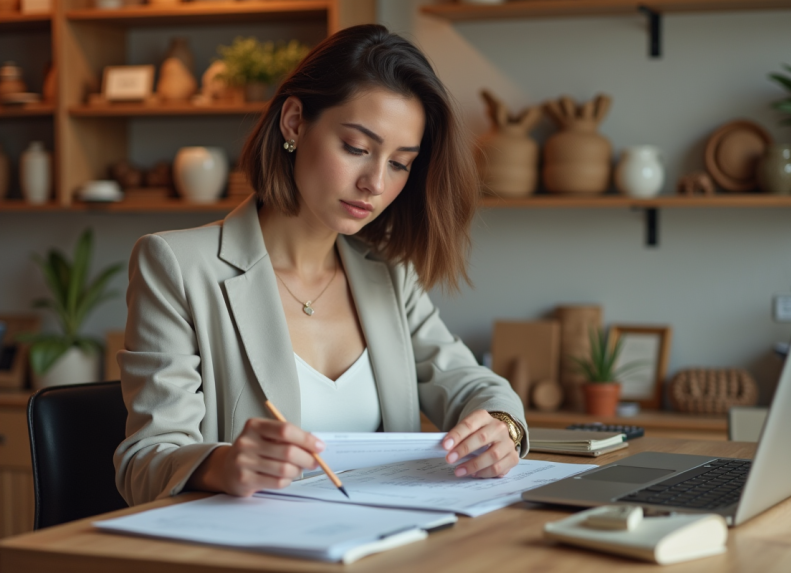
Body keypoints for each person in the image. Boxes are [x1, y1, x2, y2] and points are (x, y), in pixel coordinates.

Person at [114, 24, 529, 506]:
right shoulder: (177, 266)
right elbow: (144, 460)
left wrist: (503, 428)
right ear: (294, 121)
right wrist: (224, 464)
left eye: (400, 163)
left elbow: (469, 383)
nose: (374, 182)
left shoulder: (390, 272)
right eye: (356, 148)